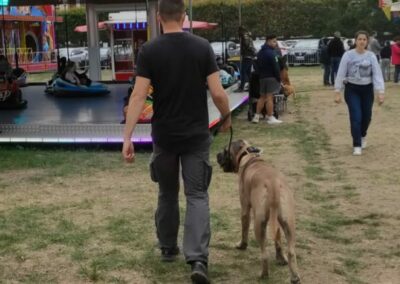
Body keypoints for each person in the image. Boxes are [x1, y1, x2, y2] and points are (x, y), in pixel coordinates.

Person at [122, 1, 231, 283]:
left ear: (159, 18)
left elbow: (137, 96)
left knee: (167, 193)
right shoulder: (201, 47)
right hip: (196, 136)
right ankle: (197, 259)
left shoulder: (149, 51)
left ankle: (168, 247)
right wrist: (226, 116)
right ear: (184, 16)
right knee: (197, 195)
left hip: (165, 137)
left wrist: (128, 136)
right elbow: (218, 93)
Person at [334, 31, 385, 156]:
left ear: (367, 41)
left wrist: (380, 92)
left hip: (367, 90)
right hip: (352, 89)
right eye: (359, 39)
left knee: (366, 117)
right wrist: (337, 91)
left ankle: (362, 135)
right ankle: (357, 144)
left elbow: (377, 74)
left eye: (364, 39)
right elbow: (341, 73)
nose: (362, 41)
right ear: (355, 41)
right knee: (356, 116)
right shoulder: (348, 55)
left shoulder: (371, 56)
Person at [252, 34, 282, 124]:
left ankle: (256, 117)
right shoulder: (272, 53)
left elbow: (255, 65)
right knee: (269, 98)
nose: (275, 43)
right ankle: (270, 117)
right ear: (268, 41)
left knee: (262, 97)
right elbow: (276, 67)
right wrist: (278, 78)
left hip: (262, 78)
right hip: (271, 78)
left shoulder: (260, 53)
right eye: (274, 41)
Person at [237, 26, 256, 92]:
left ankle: (242, 87)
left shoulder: (245, 36)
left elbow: (247, 45)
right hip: (249, 56)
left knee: (243, 72)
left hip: (247, 56)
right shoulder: (248, 36)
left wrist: (252, 52)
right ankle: (252, 86)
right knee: (248, 73)